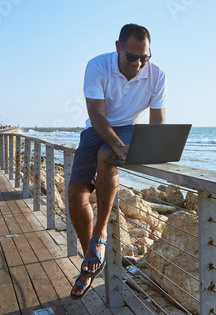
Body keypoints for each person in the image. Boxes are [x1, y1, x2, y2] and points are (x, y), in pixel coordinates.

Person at [69, 23, 167, 299]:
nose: (138, 63)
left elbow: (157, 121)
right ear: (118, 47)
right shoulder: (97, 66)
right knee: (75, 193)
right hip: (96, 128)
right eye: (132, 57)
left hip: (129, 128)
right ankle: (91, 251)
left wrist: (156, 150)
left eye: (144, 57)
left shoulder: (157, 74)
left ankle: (98, 240)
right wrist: (119, 146)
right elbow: (97, 115)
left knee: (106, 157)